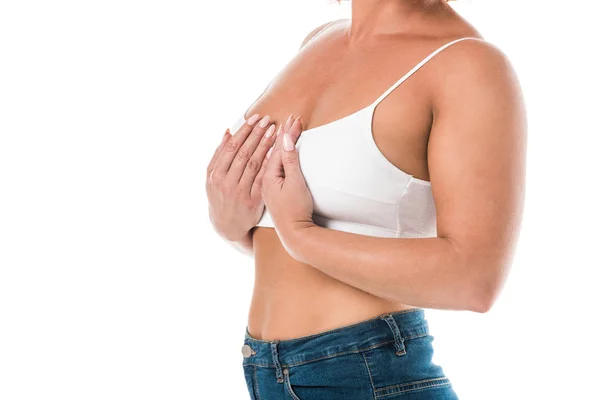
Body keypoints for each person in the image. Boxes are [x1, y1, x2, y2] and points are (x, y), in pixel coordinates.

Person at [206, 0, 527, 398]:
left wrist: (302, 236)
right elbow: (289, 238)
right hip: (264, 371)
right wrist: (232, 226)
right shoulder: (319, 40)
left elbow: (474, 280)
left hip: (368, 376)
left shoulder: (468, 64)